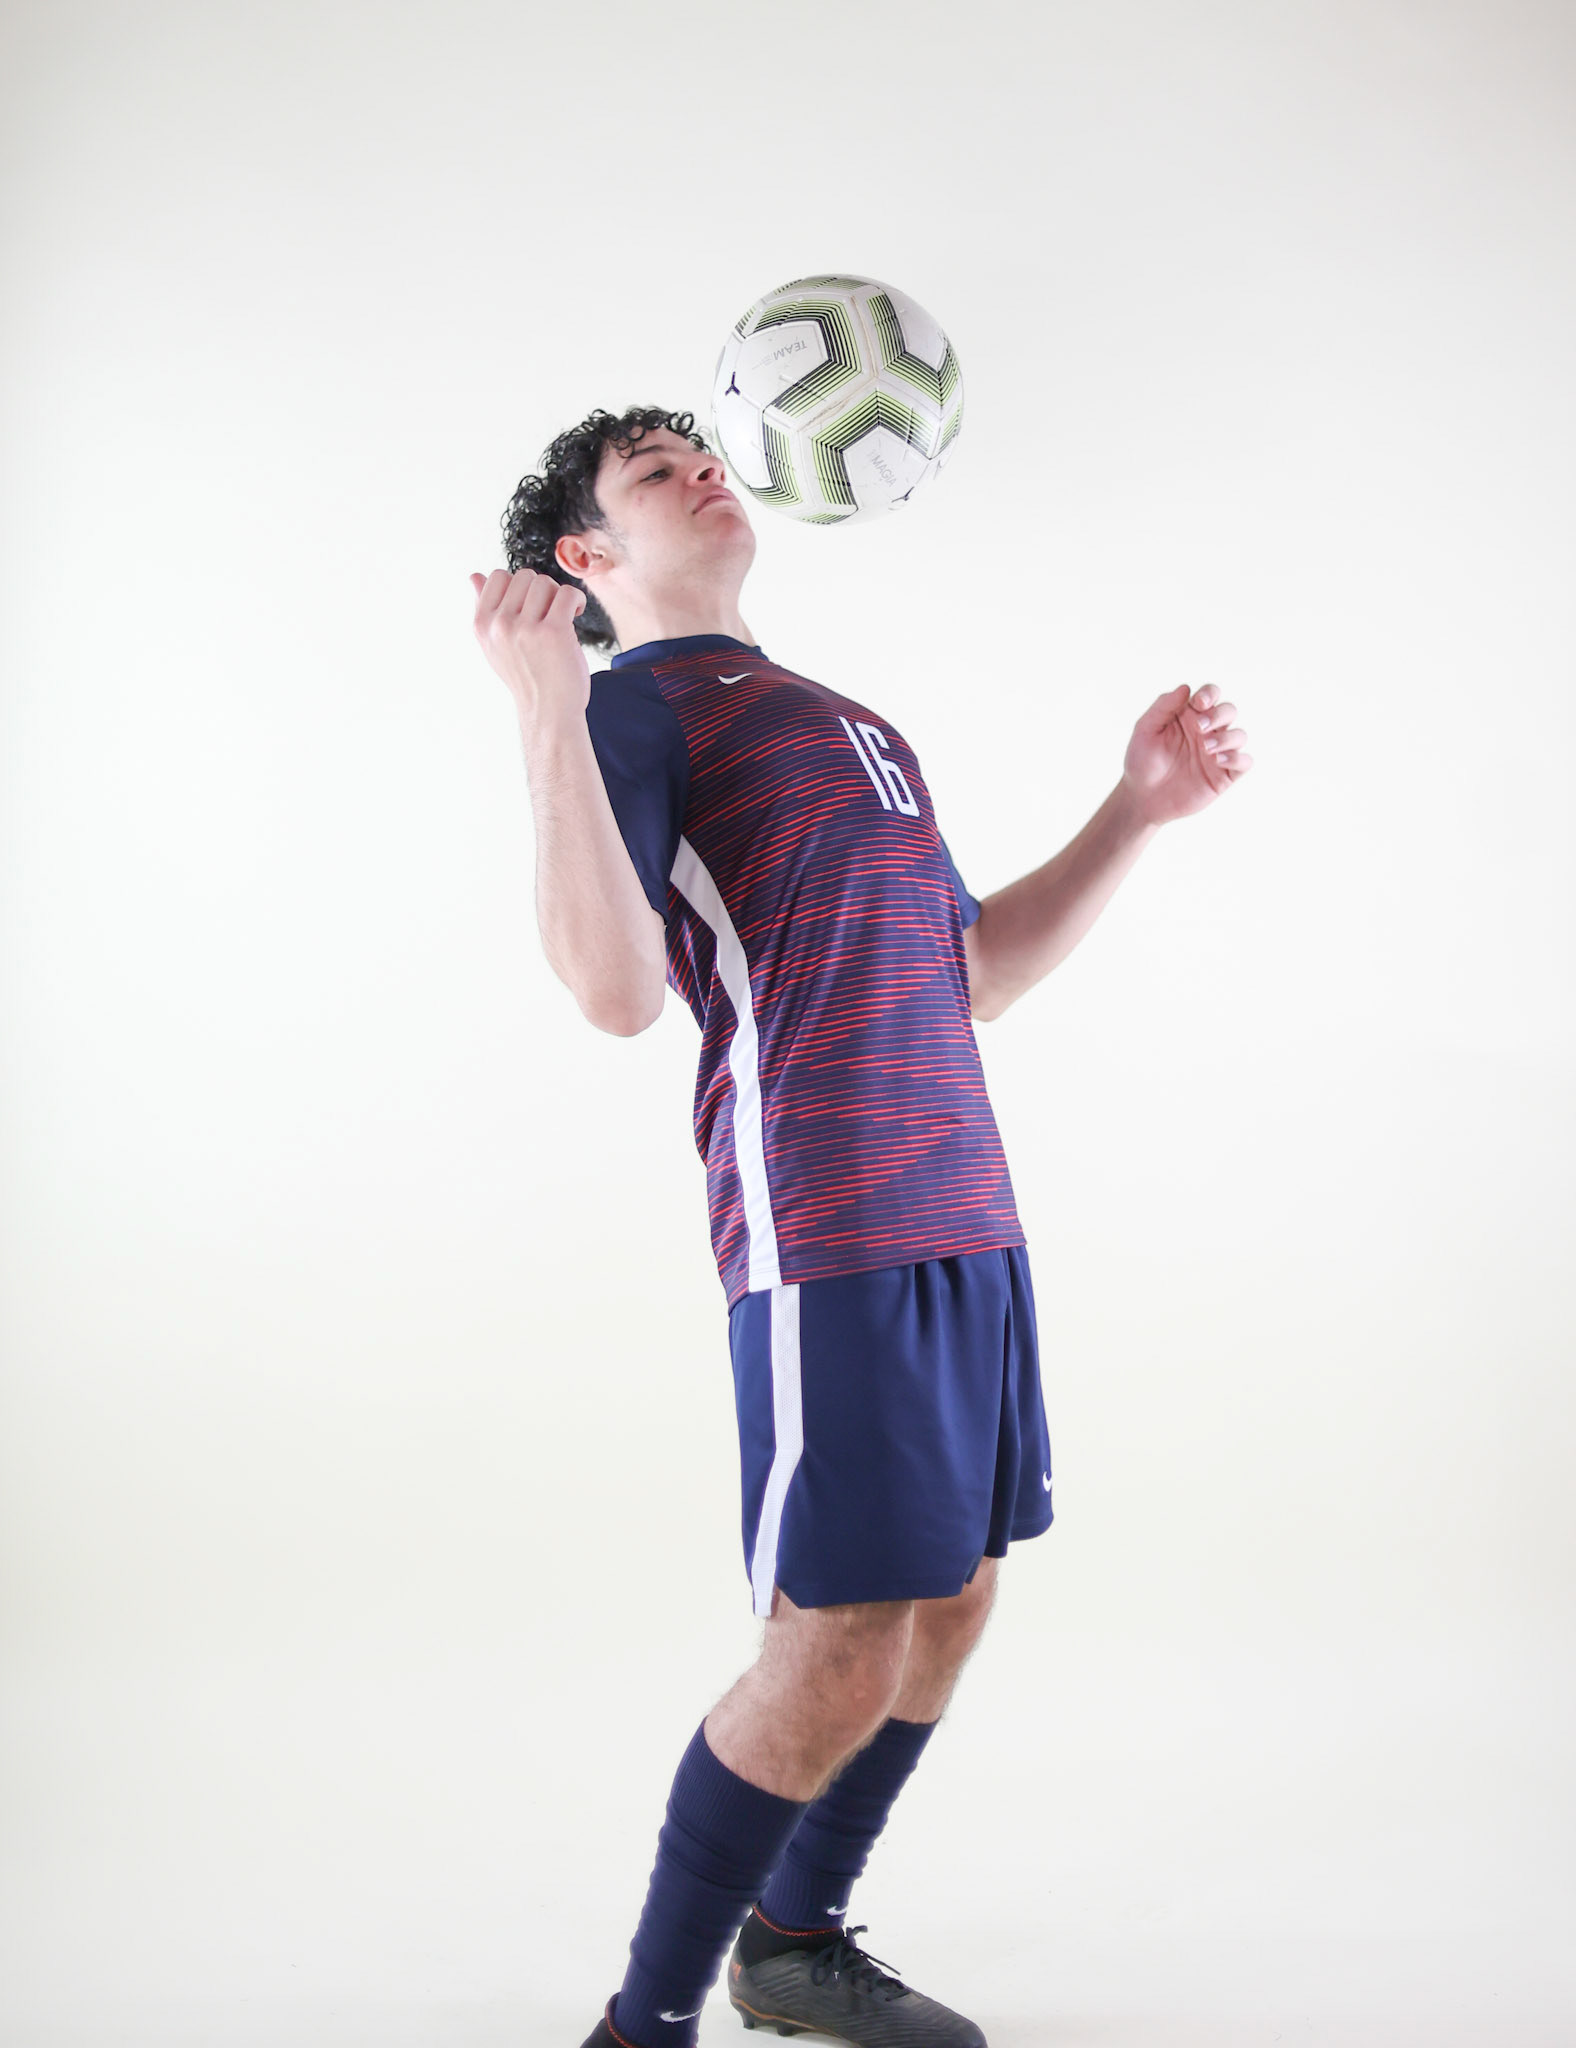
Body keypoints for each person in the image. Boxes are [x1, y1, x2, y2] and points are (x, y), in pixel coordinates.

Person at [469, 405, 1252, 2048]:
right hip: (828, 1216)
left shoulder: (849, 719)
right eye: (650, 470)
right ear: (587, 560)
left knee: (956, 1596)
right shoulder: (628, 708)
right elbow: (613, 992)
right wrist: (546, 698)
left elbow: (971, 975)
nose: (701, 462)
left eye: (700, 442)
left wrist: (1136, 810)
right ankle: (645, 2022)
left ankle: (796, 1942)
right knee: (832, 1643)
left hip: (967, 1206)